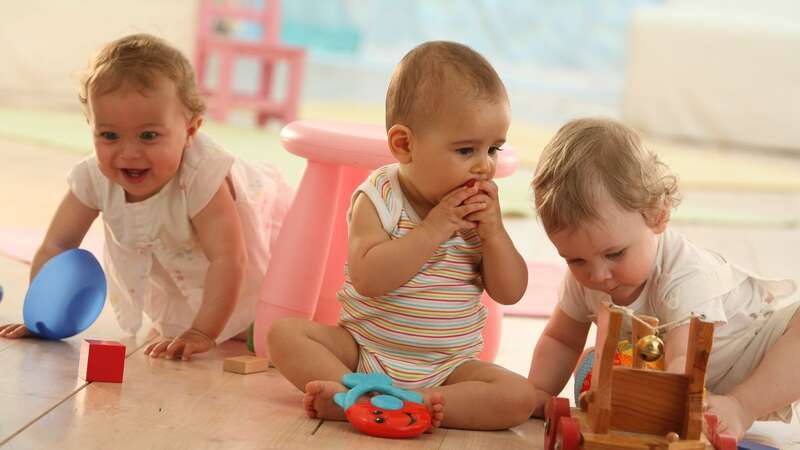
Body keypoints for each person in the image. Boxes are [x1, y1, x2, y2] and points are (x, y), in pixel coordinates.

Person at [267, 41, 532, 430]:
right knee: (285, 335)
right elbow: (369, 279)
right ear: (404, 145)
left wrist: (494, 235)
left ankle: (415, 402)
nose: (484, 166)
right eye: (465, 150)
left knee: (519, 397)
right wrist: (434, 229)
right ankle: (355, 392)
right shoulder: (379, 196)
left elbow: (510, 292)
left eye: (493, 148)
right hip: (363, 351)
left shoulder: (480, 212)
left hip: (448, 368)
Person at [0, 34, 291, 361]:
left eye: (149, 136)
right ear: (90, 125)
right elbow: (58, 245)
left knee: (256, 324)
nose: (129, 153)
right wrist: (42, 314)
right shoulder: (93, 177)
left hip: (244, 256)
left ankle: (228, 323)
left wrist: (202, 333)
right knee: (178, 321)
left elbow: (229, 259)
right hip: (179, 263)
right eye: (109, 135)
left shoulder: (201, 176)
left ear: (191, 130)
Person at [527, 117, 799, 438]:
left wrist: (671, 411)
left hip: (755, 351)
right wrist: (536, 394)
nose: (598, 275)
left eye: (615, 254)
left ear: (658, 215)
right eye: (575, 259)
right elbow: (561, 340)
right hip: (679, 374)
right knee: (592, 361)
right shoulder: (585, 279)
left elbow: (683, 359)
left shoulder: (685, 274)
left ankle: (742, 406)